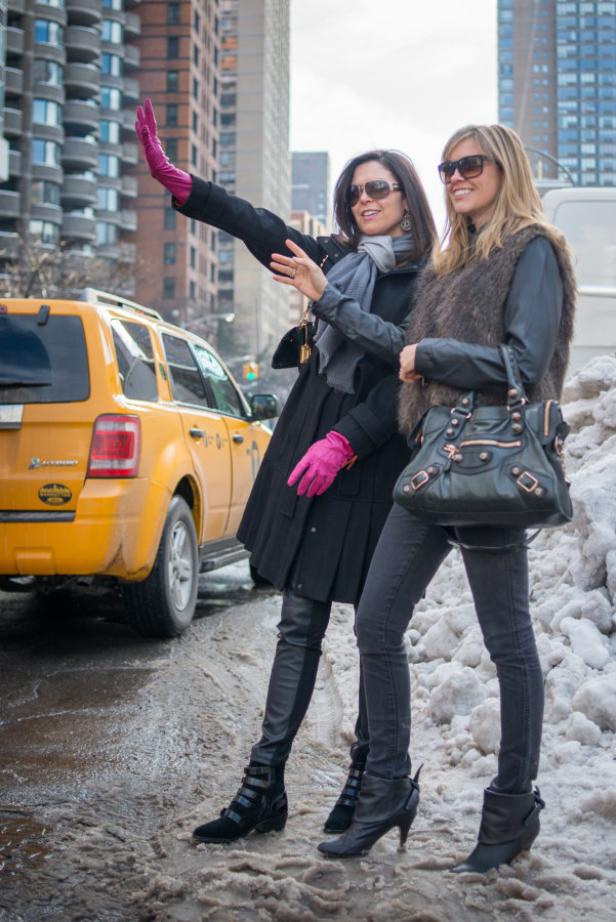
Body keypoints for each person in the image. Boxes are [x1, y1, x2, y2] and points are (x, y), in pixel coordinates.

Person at [134, 99, 437, 842]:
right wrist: (188, 190)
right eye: (355, 191)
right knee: (297, 622)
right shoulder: (334, 263)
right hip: (307, 444)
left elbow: (408, 371)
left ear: (407, 198)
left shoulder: (431, 280)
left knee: (374, 627)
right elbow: (263, 227)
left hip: (373, 459)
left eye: (380, 189)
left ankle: (368, 777)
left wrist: (347, 442)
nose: (365, 200)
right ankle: (261, 788)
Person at [318, 123, 576, 869]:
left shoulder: (532, 250)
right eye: (447, 168)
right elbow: (394, 343)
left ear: (506, 168)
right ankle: (388, 788)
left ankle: (511, 807)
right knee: (375, 622)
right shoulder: (448, 265)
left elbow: (524, 361)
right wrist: (324, 300)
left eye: (471, 165)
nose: (456, 177)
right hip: (433, 460)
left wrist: (431, 355)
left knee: (508, 643)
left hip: (490, 459)